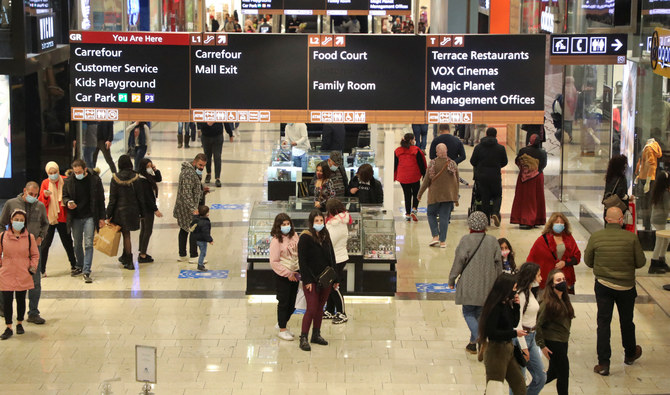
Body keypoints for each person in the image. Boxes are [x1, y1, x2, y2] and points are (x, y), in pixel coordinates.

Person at [584, 207, 645, 376]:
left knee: (603, 323)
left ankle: (604, 363)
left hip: (603, 285)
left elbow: (588, 261)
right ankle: (630, 353)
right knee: (627, 321)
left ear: (605, 219)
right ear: (621, 220)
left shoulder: (596, 237)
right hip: (626, 287)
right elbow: (640, 262)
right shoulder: (631, 238)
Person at [449, 211, 502, 354]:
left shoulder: (466, 240)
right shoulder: (492, 241)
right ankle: (473, 343)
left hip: (469, 283)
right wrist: (499, 282)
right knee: (479, 312)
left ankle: (479, 337)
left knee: (468, 312)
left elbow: (459, 261)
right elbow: (498, 264)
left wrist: (452, 279)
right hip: (487, 283)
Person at [0, 182, 48, 324]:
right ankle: (3, 307)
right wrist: (4, 238)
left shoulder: (39, 206)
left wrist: (41, 236)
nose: (33, 197)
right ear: (24, 191)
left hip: (32, 248)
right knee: (6, 278)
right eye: (31, 194)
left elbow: (46, 223)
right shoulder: (11, 203)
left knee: (35, 280)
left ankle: (33, 312)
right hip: (12, 248)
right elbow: (1, 223)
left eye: (36, 194)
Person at [477, 273, 527, 395]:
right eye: (514, 288)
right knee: (494, 390)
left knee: (520, 386)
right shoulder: (495, 307)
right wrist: (514, 334)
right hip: (496, 352)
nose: (515, 291)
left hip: (508, 350)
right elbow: (492, 333)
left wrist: (516, 306)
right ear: (506, 288)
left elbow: (513, 323)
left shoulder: (506, 304)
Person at [297, 209, 338, 351]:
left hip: (326, 279)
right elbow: (302, 261)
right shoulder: (305, 237)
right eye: (317, 221)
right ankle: (303, 337)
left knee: (321, 307)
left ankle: (316, 334)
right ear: (311, 222)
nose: (319, 223)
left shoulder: (326, 236)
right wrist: (307, 280)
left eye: (321, 221)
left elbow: (332, 256)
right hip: (311, 279)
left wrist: (335, 278)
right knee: (312, 307)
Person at [63, 159, 106, 283]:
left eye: (79, 172)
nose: (77, 174)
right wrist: (68, 202)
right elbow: (64, 196)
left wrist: (102, 217)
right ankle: (80, 265)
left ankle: (86, 270)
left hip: (90, 216)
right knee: (77, 243)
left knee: (88, 243)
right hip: (75, 216)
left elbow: (100, 200)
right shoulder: (69, 181)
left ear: (85, 169)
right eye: (75, 172)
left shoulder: (95, 180)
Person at [0, 209, 39, 340]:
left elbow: (35, 254)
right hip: (7, 272)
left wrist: (32, 267)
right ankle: (8, 326)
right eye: (16, 219)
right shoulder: (2, 236)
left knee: (21, 299)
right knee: (7, 300)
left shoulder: (29, 237)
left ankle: (19, 323)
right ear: (11, 220)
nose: (18, 222)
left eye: (21, 220)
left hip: (23, 272)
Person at [535, 270, 575, 395]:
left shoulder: (563, 299)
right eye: (558, 280)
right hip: (553, 341)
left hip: (563, 340)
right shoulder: (547, 303)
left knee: (553, 373)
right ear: (551, 285)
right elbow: (537, 324)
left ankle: (526, 390)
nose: (562, 282)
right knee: (563, 374)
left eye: (563, 279)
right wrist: (542, 345)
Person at [512, 262, 546, 395]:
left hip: (532, 338)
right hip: (522, 339)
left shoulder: (530, 292)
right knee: (519, 380)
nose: (541, 278)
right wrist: (524, 347)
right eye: (538, 275)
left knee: (540, 377)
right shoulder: (521, 294)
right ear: (531, 276)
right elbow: (517, 322)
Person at [106, 155, 145, 271]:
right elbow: (140, 197)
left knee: (125, 234)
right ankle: (125, 257)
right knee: (127, 235)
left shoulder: (115, 178)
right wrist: (142, 213)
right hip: (133, 210)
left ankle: (129, 260)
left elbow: (112, 199)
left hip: (120, 211)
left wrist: (108, 214)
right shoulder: (136, 177)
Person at [38, 161, 77, 276]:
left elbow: (69, 196)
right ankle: (42, 270)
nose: (53, 175)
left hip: (63, 217)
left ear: (58, 171)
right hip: (50, 218)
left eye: (55, 172)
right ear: (47, 173)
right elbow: (41, 202)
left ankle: (74, 265)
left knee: (68, 243)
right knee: (45, 244)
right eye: (50, 173)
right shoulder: (45, 183)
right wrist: (45, 196)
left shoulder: (65, 180)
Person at [526, 212, 581, 293]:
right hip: (547, 280)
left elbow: (577, 257)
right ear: (551, 224)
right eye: (557, 222)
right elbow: (531, 258)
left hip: (565, 279)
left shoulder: (569, 238)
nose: (559, 224)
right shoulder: (542, 240)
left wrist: (565, 263)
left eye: (562, 222)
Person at [417, 143, 459, 248]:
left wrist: (420, 193)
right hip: (448, 195)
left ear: (437, 152)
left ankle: (435, 236)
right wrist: (456, 195)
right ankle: (443, 241)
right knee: (444, 217)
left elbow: (427, 180)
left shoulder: (432, 164)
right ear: (446, 151)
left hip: (434, 195)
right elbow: (457, 181)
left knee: (431, 214)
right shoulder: (452, 164)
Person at [269, 213, 300, 341]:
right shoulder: (276, 241)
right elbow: (274, 261)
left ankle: (282, 323)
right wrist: (288, 274)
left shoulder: (295, 236)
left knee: (293, 303)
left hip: (296, 273)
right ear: (278, 226)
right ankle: (282, 328)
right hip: (283, 276)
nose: (286, 226)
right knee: (284, 302)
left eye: (288, 224)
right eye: (283, 225)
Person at [470, 127, 508, 226]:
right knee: (497, 195)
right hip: (495, 176)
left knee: (484, 197)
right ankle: (495, 212)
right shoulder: (500, 148)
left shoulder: (478, 147)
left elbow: (472, 161)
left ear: (486, 134)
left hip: (481, 177)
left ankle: (486, 219)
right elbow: (505, 162)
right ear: (496, 135)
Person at [174, 154, 208, 263]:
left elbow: (194, 188)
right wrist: (193, 208)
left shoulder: (193, 172)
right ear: (194, 162)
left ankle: (182, 254)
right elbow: (187, 193)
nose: (202, 167)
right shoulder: (188, 174)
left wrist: (202, 191)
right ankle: (193, 256)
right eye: (200, 165)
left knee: (184, 229)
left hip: (187, 206)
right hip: (186, 207)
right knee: (193, 229)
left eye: (203, 166)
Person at [510, 134, 547, 229]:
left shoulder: (523, 151)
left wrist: (525, 170)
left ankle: (522, 219)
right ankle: (536, 219)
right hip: (537, 178)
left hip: (523, 177)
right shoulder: (542, 152)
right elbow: (543, 165)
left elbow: (517, 161)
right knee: (536, 198)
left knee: (523, 198)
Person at [324, 199, 350, 324]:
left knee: (334, 286)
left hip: (337, 259)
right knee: (329, 285)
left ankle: (342, 313)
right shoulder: (339, 221)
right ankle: (329, 310)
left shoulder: (336, 224)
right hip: (336, 257)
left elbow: (329, 242)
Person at [394, 133, 426, 222]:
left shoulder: (397, 151)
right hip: (414, 176)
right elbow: (421, 164)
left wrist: (394, 175)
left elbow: (395, 164)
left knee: (406, 194)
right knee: (416, 193)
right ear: (411, 140)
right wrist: (424, 175)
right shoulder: (416, 150)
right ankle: (414, 209)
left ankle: (407, 214)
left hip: (403, 177)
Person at [137, 158, 162, 263]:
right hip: (147, 209)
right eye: (148, 166)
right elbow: (148, 197)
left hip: (144, 208)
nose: (150, 168)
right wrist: (155, 210)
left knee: (144, 230)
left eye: (150, 166)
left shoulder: (146, 177)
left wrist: (155, 169)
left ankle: (141, 251)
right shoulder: (143, 181)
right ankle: (143, 254)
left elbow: (158, 178)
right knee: (147, 230)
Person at [649, 171, 670, 273]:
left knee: (665, 240)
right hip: (660, 219)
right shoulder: (665, 193)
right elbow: (668, 207)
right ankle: (654, 262)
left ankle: (661, 259)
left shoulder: (657, 191)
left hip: (655, 218)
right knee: (660, 240)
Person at [197, 122, 224, 187]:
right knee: (207, 157)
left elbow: (225, 119)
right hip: (206, 136)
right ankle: (208, 173)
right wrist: (206, 124)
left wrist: (230, 133)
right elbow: (199, 121)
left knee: (217, 157)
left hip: (218, 135)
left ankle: (217, 178)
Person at [190, 205, 213, 272]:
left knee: (202, 252)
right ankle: (200, 264)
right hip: (202, 240)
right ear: (207, 213)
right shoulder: (205, 222)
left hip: (196, 238)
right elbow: (206, 233)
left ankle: (201, 264)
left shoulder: (196, 219)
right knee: (203, 253)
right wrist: (210, 240)